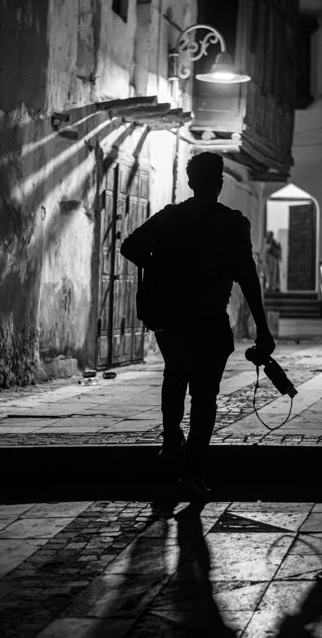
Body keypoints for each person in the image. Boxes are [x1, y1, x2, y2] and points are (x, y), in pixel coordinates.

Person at [121, 152, 275, 498]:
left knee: (174, 371)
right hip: (207, 320)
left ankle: (171, 439)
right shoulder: (232, 223)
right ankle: (191, 473)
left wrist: (160, 268)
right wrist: (263, 329)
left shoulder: (170, 217)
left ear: (190, 183)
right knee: (204, 396)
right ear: (219, 184)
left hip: (169, 318)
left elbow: (129, 247)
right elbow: (247, 278)